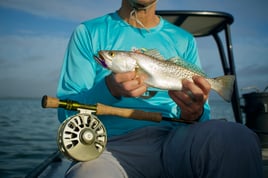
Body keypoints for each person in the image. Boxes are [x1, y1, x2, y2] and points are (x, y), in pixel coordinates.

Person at [56, 0, 263, 177]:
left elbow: (203, 115)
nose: (108, 56)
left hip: (177, 139)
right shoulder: (88, 32)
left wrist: (195, 112)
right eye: (111, 54)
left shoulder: (185, 40)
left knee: (238, 137)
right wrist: (108, 89)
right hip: (110, 145)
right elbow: (66, 112)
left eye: (111, 54)